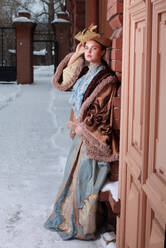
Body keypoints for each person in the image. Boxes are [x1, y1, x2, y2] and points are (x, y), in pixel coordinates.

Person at [44, 24, 120, 241]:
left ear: (103, 51)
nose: (88, 51)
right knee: (73, 179)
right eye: (86, 47)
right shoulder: (86, 73)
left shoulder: (106, 80)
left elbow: (101, 113)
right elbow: (62, 84)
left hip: (91, 139)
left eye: (94, 48)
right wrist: (75, 55)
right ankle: (71, 219)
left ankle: (84, 226)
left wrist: (82, 128)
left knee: (86, 181)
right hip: (80, 136)